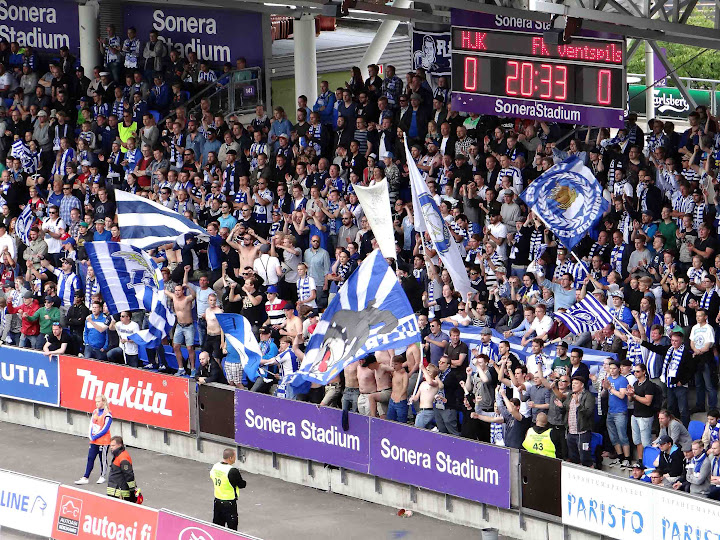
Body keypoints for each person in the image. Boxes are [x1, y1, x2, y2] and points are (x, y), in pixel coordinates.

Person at [75, 394, 112, 485]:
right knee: (90, 458)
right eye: (96, 401)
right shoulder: (95, 411)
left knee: (102, 459)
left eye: (98, 401)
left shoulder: (108, 415)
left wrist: (95, 436)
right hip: (94, 441)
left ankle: (103, 476)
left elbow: (105, 429)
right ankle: (85, 477)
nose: (97, 403)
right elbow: (91, 424)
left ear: (103, 402)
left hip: (103, 441)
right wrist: (90, 435)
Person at [210, 448, 247, 530]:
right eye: (234, 456)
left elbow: (212, 476)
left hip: (217, 501)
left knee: (217, 528)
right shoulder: (232, 471)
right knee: (232, 529)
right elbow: (241, 484)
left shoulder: (215, 466)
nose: (235, 458)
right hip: (229, 503)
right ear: (230, 458)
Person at [107, 436, 140, 502]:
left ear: (119, 445)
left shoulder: (123, 458)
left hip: (120, 494)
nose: (111, 447)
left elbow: (129, 475)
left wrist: (132, 491)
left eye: (113, 445)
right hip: (115, 491)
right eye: (110, 446)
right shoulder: (118, 455)